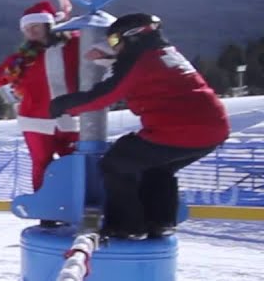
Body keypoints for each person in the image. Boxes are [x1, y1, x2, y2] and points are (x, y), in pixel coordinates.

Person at [49, 13, 229, 240]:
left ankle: (128, 226)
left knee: (116, 164)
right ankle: (160, 221)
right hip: (213, 129)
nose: (115, 47)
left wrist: (65, 105)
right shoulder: (164, 53)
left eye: (115, 41)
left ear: (133, 36)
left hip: (179, 129)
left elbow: (106, 94)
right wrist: (114, 60)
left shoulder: (139, 60)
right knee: (157, 167)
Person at [0, 1, 82, 203]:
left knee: (74, 163)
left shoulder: (73, 47)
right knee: (42, 164)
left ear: (49, 25)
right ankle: (45, 205)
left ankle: (77, 201)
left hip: (70, 118)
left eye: (35, 26)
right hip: (35, 120)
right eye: (27, 29)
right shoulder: (20, 60)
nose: (31, 32)